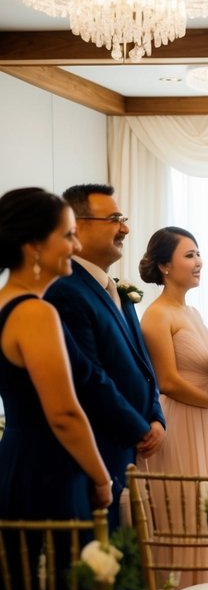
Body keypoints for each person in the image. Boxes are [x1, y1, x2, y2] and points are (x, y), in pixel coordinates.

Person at [45, 183, 165, 590]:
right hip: (97, 448)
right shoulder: (67, 291)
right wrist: (137, 426)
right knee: (104, 565)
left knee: (120, 563)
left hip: (123, 448)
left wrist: (155, 415)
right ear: (77, 227)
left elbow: (142, 365)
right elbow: (89, 377)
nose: (125, 229)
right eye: (114, 219)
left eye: (123, 218)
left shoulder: (115, 289)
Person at [138, 227, 208, 588]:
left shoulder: (192, 312)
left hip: (202, 423)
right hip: (177, 422)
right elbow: (167, 381)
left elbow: (203, 369)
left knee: (202, 514)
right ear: (165, 266)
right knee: (182, 514)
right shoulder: (156, 315)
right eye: (189, 255)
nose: (199, 262)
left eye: (198, 254)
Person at [0, 187, 112, 521]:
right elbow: (63, 414)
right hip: (47, 471)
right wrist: (102, 477)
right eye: (68, 236)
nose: (76, 247)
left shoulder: (6, 304)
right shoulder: (35, 313)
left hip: (19, 462)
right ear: (33, 246)